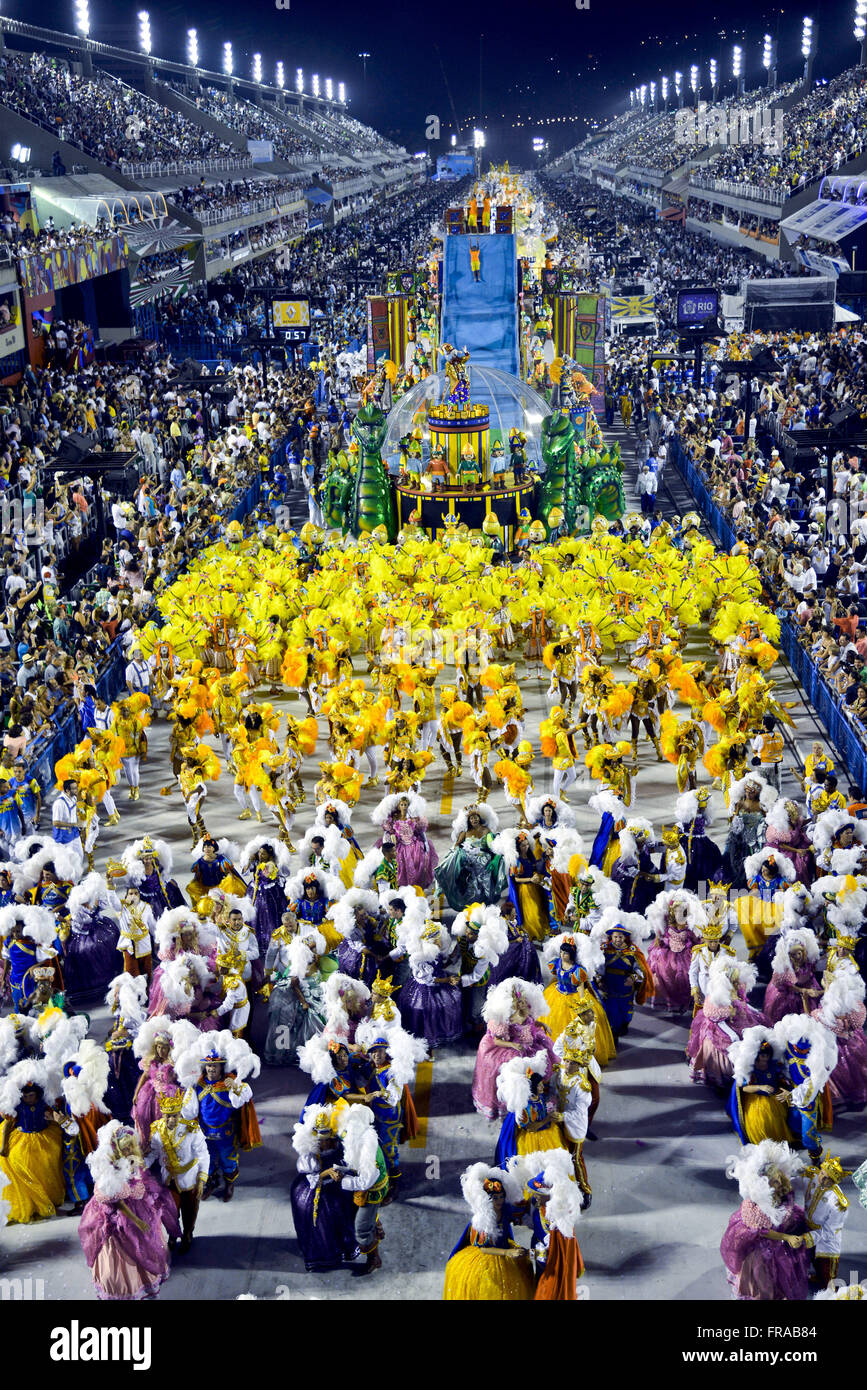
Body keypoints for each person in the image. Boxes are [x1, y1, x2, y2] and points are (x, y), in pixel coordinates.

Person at [79, 1120, 181, 1300]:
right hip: (123, 1212)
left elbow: (139, 1175)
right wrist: (137, 1220)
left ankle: (147, 1276)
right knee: (125, 1242)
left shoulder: (132, 1159)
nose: (129, 1151)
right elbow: (118, 1203)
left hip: (138, 1202)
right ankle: (125, 1285)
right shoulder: (112, 1169)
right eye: (125, 1148)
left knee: (148, 1239)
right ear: (116, 1148)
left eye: (130, 1147)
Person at [720, 1139, 814, 1301]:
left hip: (782, 1235)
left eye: (778, 1179)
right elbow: (763, 1232)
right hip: (762, 1246)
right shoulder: (756, 1206)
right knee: (764, 1276)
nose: (778, 1183)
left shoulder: (783, 1193)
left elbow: (788, 1207)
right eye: (773, 1181)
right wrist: (786, 1237)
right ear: (764, 1183)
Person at [443, 1162, 535, 1301]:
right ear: (486, 1199)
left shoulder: (505, 1210)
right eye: (494, 1198)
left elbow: (521, 1215)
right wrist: (507, 1253)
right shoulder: (482, 1220)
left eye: (501, 1196)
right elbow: (484, 1249)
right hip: (488, 1258)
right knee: (490, 1287)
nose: (499, 1201)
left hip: (506, 1250)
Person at [290, 1104, 359, 1273]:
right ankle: (323, 1257)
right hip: (313, 1191)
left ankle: (345, 1248)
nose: (325, 1143)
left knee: (343, 1216)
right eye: (321, 1140)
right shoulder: (310, 1155)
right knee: (320, 1224)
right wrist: (326, 1173)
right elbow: (312, 1179)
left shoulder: (338, 1146)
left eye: (328, 1139)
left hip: (337, 1189)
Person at [147, 1086, 209, 1255]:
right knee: (169, 1210)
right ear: (162, 1114)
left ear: (180, 1113)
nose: (171, 1119)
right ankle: (173, 1234)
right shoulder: (157, 1129)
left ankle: (188, 1233)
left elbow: (203, 1154)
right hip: (169, 1179)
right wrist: (142, 1163)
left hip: (189, 1178)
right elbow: (153, 1152)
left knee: (189, 1210)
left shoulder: (192, 1129)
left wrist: (202, 1179)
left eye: (174, 1115)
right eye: (168, 1116)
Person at [0, 1061, 65, 1224]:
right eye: (26, 1096)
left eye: (31, 1095)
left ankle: (46, 1200)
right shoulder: (18, 1107)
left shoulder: (44, 1104)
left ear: (37, 1094)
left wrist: (57, 1121)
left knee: (47, 1167)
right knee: (19, 1164)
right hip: (22, 1140)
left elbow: (56, 1117)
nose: (29, 1098)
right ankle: (32, 1203)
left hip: (44, 1138)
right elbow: (8, 1125)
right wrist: (4, 1145)